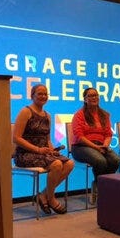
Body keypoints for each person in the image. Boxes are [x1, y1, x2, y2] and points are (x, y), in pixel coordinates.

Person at [13, 84, 74, 215]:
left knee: (69, 163)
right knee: (56, 164)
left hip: (43, 153)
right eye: (39, 93)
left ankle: (43, 194)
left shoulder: (47, 115)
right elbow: (16, 138)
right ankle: (51, 198)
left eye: (45, 94)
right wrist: (38, 150)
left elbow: (47, 140)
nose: (43, 96)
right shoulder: (25, 112)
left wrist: (52, 150)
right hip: (25, 154)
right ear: (32, 95)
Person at [71, 87, 120, 203]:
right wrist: (96, 147)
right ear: (85, 99)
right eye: (91, 96)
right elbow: (79, 136)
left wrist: (105, 145)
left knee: (115, 160)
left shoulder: (104, 114)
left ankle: (101, 185)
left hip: (100, 146)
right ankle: (103, 190)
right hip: (81, 147)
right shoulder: (79, 115)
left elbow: (108, 134)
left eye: (96, 95)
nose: (94, 98)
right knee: (100, 161)